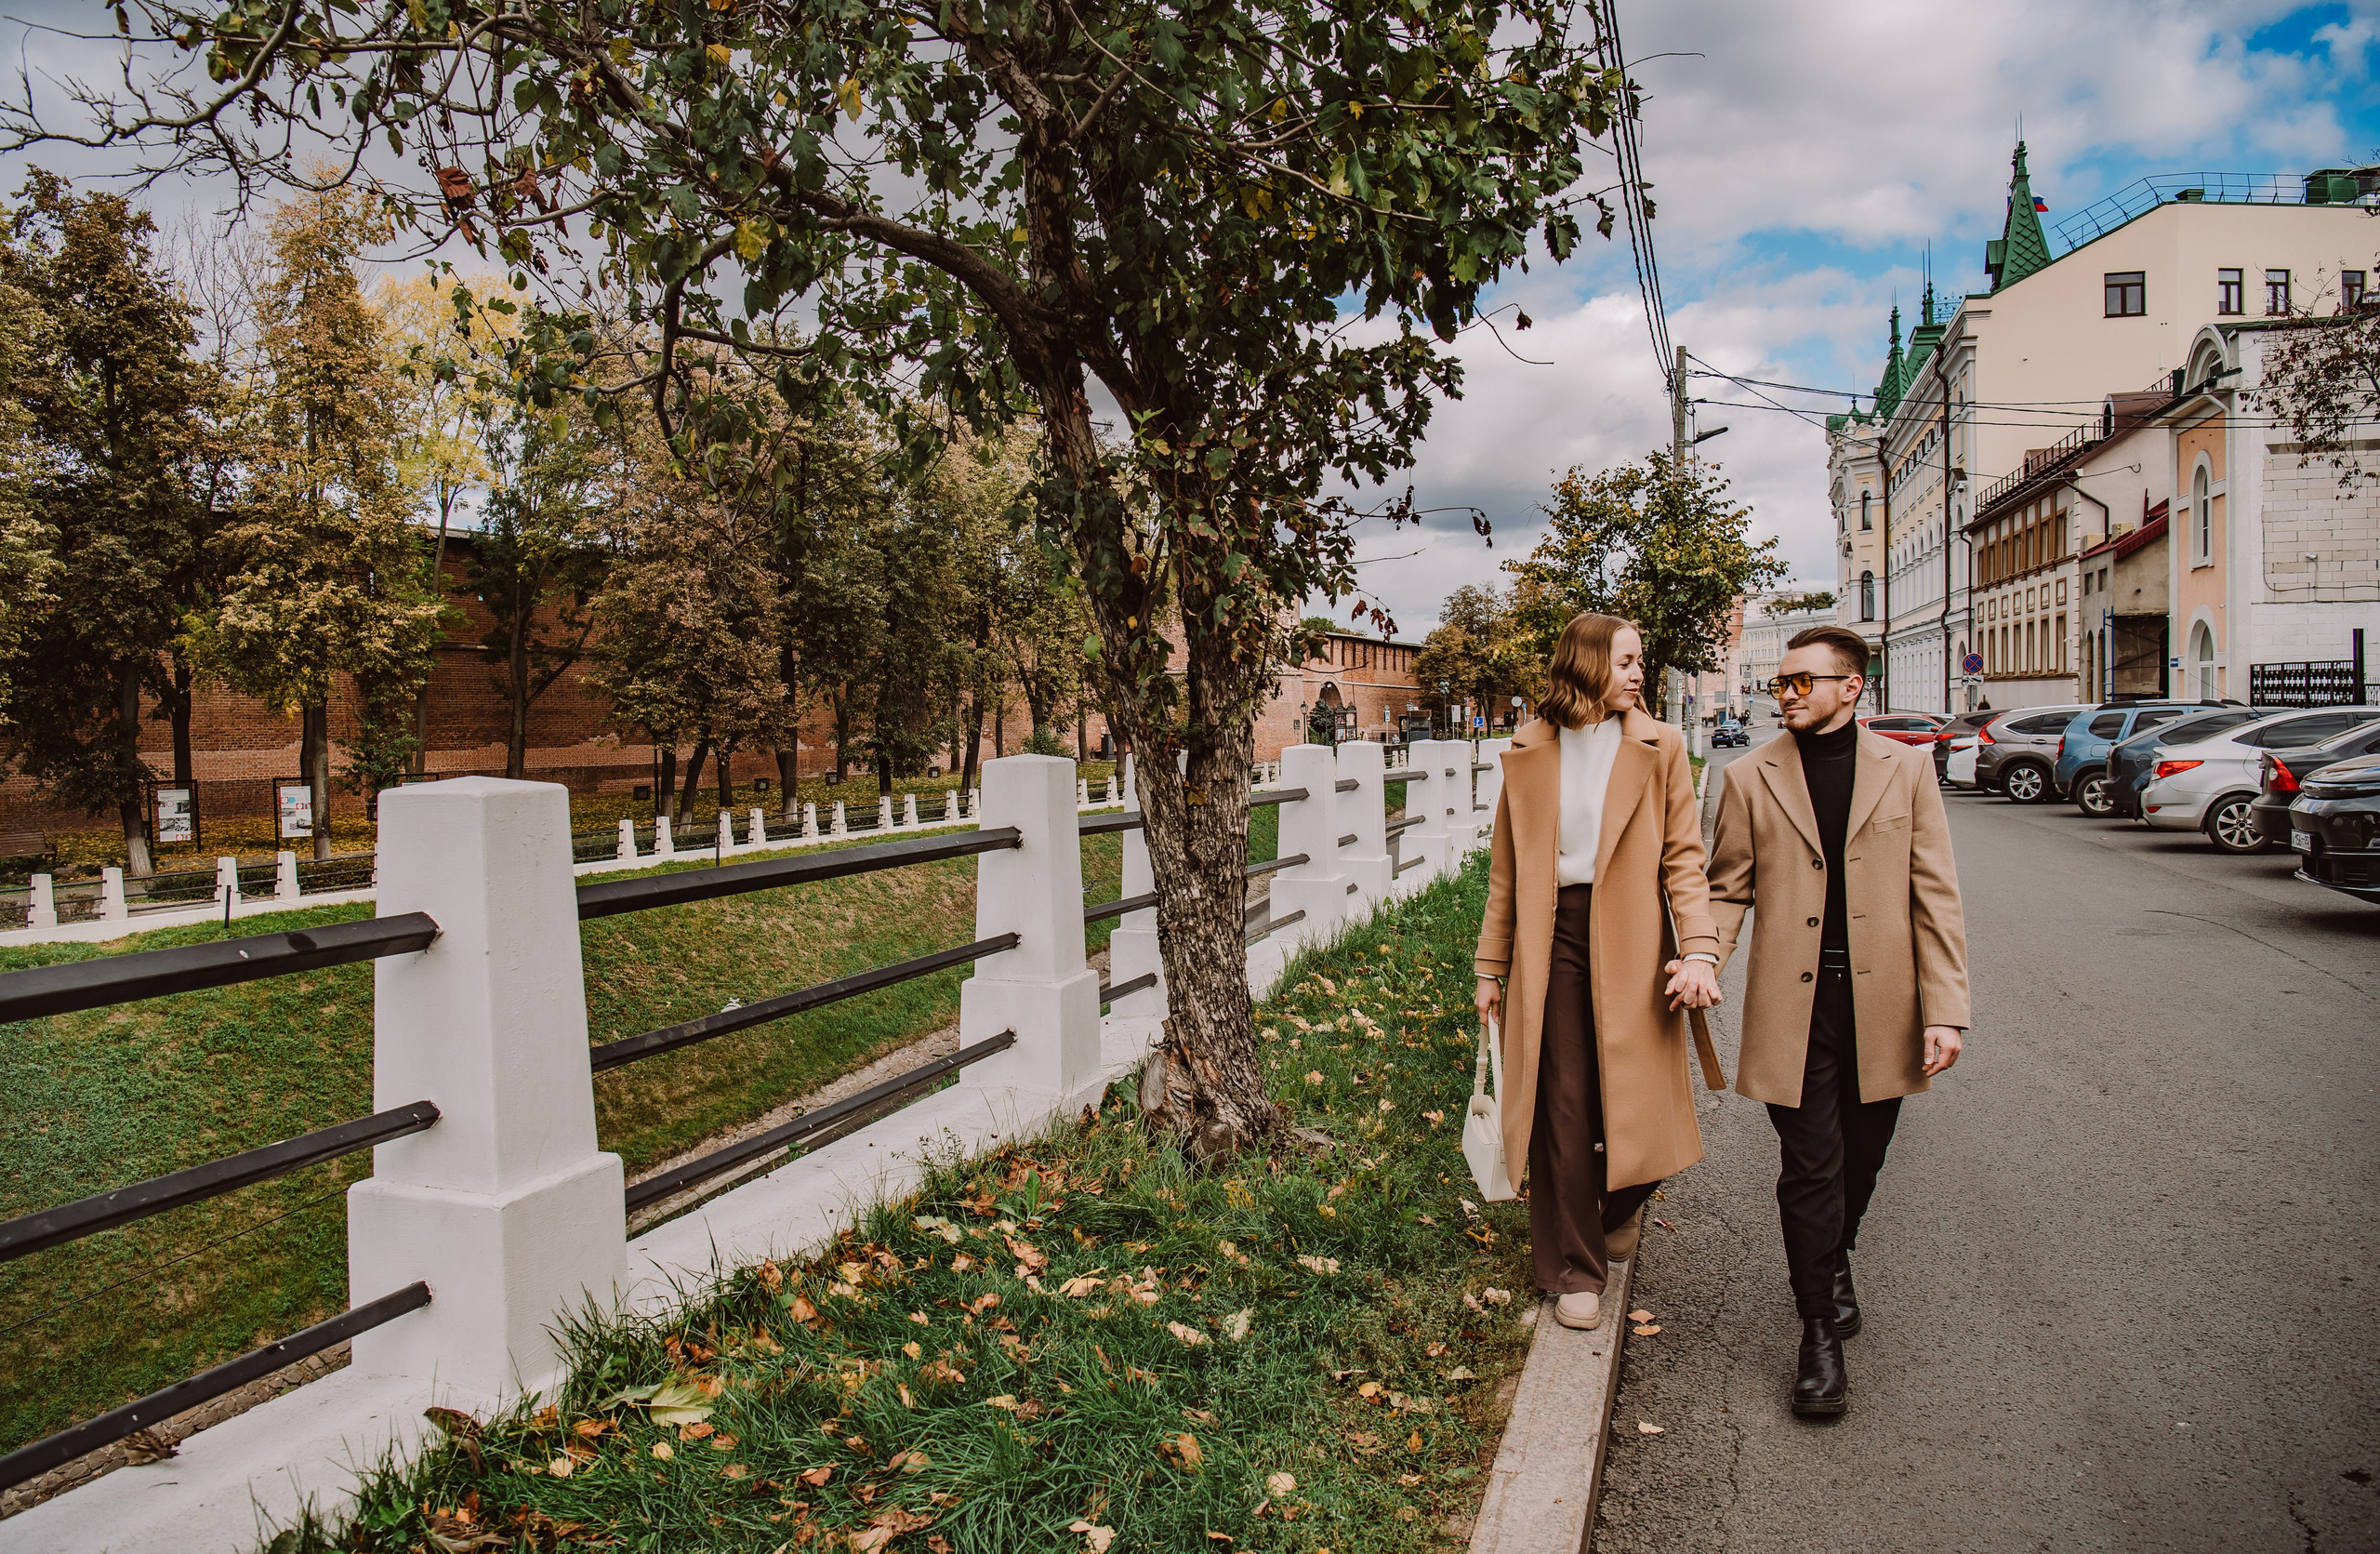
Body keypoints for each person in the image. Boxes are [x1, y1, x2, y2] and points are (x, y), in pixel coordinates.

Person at [1706, 626, 1969, 1417]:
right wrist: (1700, 958)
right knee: (1810, 1166)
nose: (1785, 693)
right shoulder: (1749, 776)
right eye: (1780, 682)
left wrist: (1947, 1009)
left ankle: (1835, 1251)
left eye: (1801, 681)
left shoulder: (1908, 769)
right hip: (1797, 1006)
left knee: (1861, 1156)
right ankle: (1817, 1327)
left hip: (1884, 1003)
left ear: (1851, 687)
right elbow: (1727, 889)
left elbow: (1936, 893)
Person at [1473, 614, 1723, 1332]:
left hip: (1635, 939)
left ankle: (1614, 1205)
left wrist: (1698, 947)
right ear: (1585, 663)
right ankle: (1577, 1268)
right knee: (1566, 1105)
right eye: (1625, 661)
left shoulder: (1661, 745)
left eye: (1641, 660)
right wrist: (1492, 966)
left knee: (1645, 1107)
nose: (1638, 673)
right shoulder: (1528, 748)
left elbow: (1683, 857)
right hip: (1551, 940)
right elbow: (1506, 872)